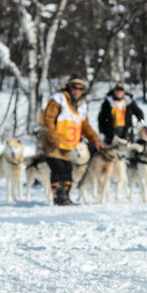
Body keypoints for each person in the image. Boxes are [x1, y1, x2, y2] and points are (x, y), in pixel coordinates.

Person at [39, 77, 102, 205]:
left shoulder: (81, 105)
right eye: (74, 87)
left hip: (68, 145)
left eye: (80, 89)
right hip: (53, 143)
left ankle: (65, 197)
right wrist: (53, 138)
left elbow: (85, 126)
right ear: (69, 87)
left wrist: (94, 139)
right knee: (58, 169)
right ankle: (58, 197)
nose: (77, 91)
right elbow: (48, 120)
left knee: (68, 170)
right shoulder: (58, 99)